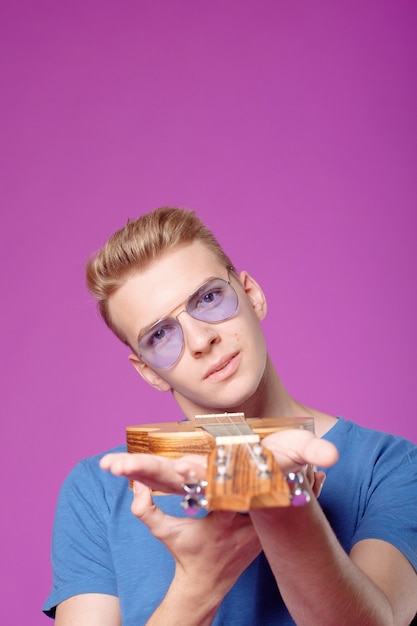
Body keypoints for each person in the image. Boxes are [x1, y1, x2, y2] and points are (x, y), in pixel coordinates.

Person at [43, 206, 417, 625]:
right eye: (161, 334)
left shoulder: (392, 466)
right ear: (148, 371)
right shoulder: (96, 491)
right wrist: (199, 583)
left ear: (251, 294)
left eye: (208, 298)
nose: (202, 339)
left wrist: (280, 501)